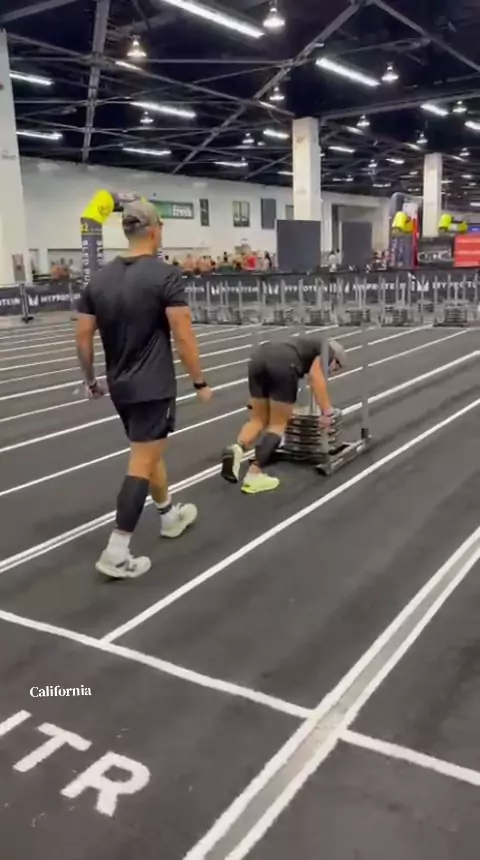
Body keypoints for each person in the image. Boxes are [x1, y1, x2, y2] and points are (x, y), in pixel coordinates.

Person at [75, 200, 212, 579]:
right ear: (154, 230)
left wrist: (90, 380)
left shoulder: (98, 280)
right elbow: (183, 335)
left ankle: (168, 516)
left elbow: (83, 336)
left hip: (120, 386)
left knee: (148, 453)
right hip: (153, 386)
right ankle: (117, 550)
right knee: (142, 461)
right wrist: (199, 381)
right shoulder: (165, 276)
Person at [220, 335, 346, 494]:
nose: (332, 373)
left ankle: (237, 447)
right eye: (335, 369)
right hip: (283, 364)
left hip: (258, 358)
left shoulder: (305, 344)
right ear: (336, 360)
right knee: (278, 424)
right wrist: (327, 412)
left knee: (258, 420)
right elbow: (316, 378)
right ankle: (254, 474)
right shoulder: (327, 351)